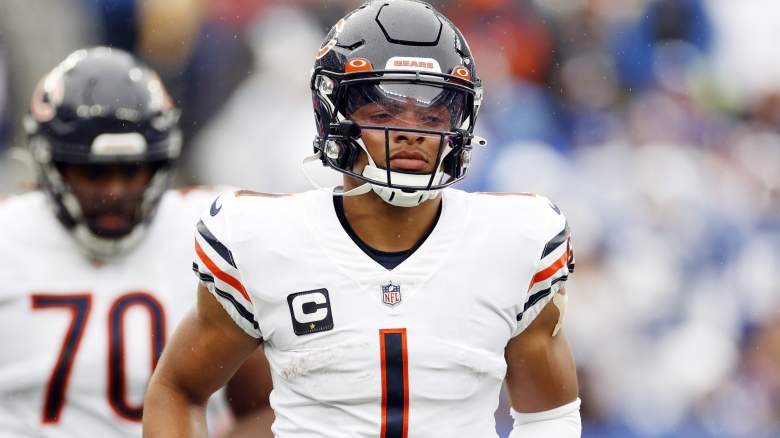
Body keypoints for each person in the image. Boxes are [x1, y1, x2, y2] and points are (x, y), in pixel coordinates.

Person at [144, 1, 581, 437]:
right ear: (330, 114)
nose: (411, 131)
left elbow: (549, 415)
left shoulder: (516, 242)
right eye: (383, 113)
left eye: (431, 116)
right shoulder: (262, 240)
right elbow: (179, 389)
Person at [0, 47, 272, 437]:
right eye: (94, 173)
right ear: (50, 163)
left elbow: (262, 406)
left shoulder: (210, 236)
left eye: (133, 171)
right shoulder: (8, 238)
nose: (114, 191)